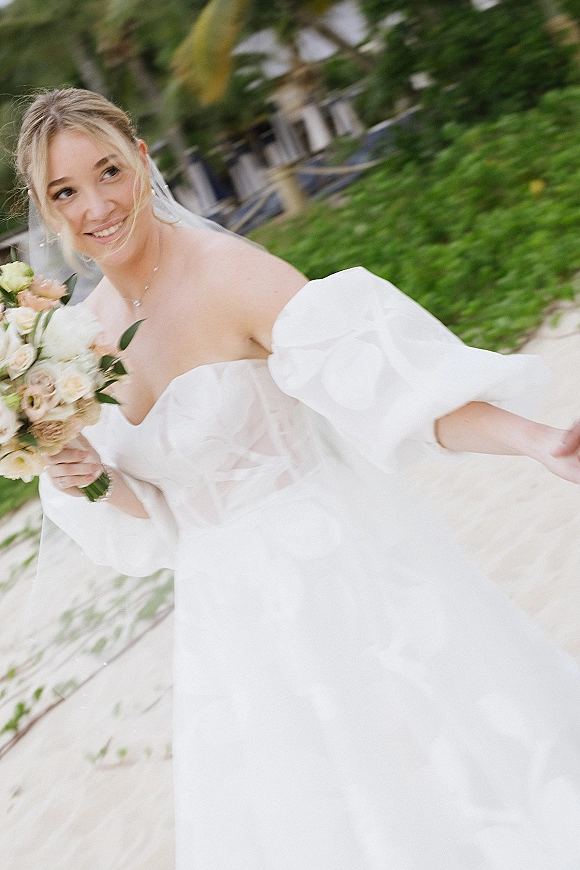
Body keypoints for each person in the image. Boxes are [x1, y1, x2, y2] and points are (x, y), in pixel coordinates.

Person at [16, 88, 580, 869]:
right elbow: (163, 505)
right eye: (66, 192)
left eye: (109, 170)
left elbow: (383, 385)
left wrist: (537, 438)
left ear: (143, 161)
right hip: (228, 616)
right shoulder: (81, 333)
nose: (97, 205)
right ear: (48, 213)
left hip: (333, 577)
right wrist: (92, 476)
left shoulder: (230, 275)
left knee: (430, 792)